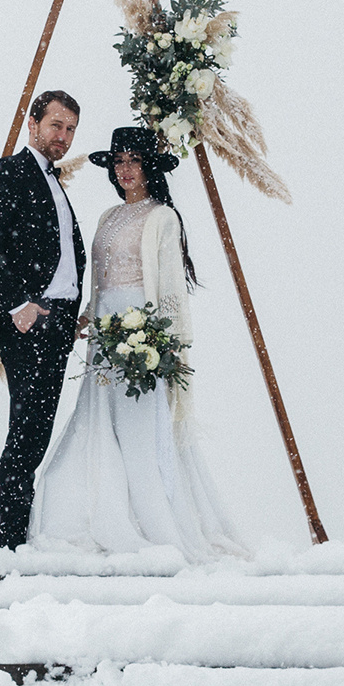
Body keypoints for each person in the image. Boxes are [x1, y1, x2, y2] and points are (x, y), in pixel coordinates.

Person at [30, 125, 246, 559]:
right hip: (103, 333)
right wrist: (84, 319)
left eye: (134, 160)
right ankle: (89, 513)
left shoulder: (162, 217)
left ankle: (150, 519)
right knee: (96, 418)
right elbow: (99, 281)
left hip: (138, 330)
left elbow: (168, 290)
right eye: (119, 161)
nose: (125, 169)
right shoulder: (108, 217)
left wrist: (160, 343)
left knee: (138, 427)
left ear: (149, 167)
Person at [0, 89, 85, 549]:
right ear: (33, 124)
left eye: (71, 129)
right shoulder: (9, 172)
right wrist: (19, 305)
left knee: (35, 432)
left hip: (57, 324)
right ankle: (1, 545)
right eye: (56, 125)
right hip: (28, 321)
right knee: (25, 434)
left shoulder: (54, 181)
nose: (63, 136)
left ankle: (12, 538)